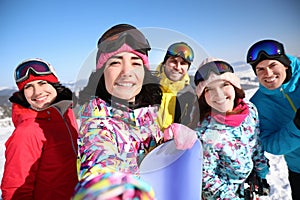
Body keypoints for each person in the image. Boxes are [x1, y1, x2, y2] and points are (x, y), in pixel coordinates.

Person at [73, 23, 197, 199]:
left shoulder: (146, 112)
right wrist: (106, 191)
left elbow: (146, 161)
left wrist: (166, 143)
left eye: (135, 62)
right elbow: (99, 163)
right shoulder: (96, 124)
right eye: (115, 62)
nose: (126, 72)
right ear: (102, 73)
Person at [1, 58, 79, 200]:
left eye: (42, 83)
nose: (37, 92)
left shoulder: (66, 115)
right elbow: (15, 190)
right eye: (28, 87)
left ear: (54, 85)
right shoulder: (27, 131)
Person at [193, 58, 270, 199]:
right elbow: (206, 178)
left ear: (235, 87)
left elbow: (256, 143)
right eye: (209, 89)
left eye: (224, 84)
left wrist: (261, 172)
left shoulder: (250, 111)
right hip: (227, 193)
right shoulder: (205, 133)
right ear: (203, 96)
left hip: (247, 184)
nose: (219, 93)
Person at [246, 39, 300, 199]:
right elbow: (270, 143)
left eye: (272, 66)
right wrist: (296, 127)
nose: (268, 74)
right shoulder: (258, 104)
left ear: (285, 64)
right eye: (260, 69)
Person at [155, 42, 199, 130]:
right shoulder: (148, 87)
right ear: (165, 63)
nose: (178, 67)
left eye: (183, 63)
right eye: (173, 61)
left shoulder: (192, 94)